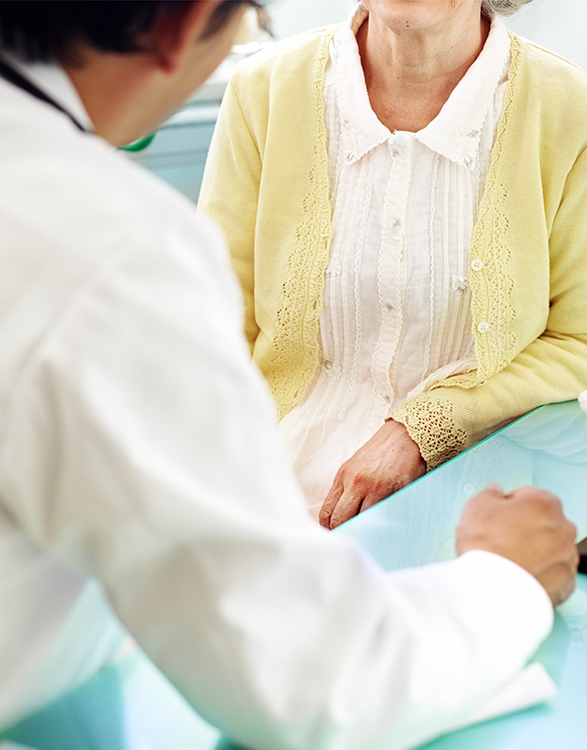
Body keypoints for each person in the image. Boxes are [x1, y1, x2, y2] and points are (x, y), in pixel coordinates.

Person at [0, 2, 580, 749]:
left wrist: (426, 426)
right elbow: (312, 685)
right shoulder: (119, 247)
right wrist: (506, 579)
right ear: (188, 23)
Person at [199, 0, 587, 528]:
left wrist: (422, 428)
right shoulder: (264, 89)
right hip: (266, 488)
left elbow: (577, 343)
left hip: (473, 499)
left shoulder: (567, 107)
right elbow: (211, 325)